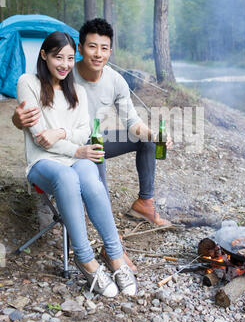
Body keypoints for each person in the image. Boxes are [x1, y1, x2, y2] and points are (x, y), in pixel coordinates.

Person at [13, 18, 173, 226]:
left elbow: (132, 122)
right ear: (80, 48)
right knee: (96, 159)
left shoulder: (116, 81)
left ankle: (144, 203)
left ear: (110, 52)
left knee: (146, 140)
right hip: (66, 143)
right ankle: (101, 227)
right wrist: (17, 120)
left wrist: (154, 134)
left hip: (93, 137)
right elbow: (33, 112)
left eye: (104, 48)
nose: (98, 54)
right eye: (92, 46)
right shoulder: (64, 72)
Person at [16, 31, 137, 297]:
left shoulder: (77, 91)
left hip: (75, 157)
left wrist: (61, 134)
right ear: (44, 55)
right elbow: (40, 139)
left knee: (91, 180)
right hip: (42, 163)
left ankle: (115, 257)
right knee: (68, 177)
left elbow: (84, 131)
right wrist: (76, 148)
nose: (64, 64)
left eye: (70, 58)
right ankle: (86, 260)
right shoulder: (29, 82)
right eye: (58, 57)